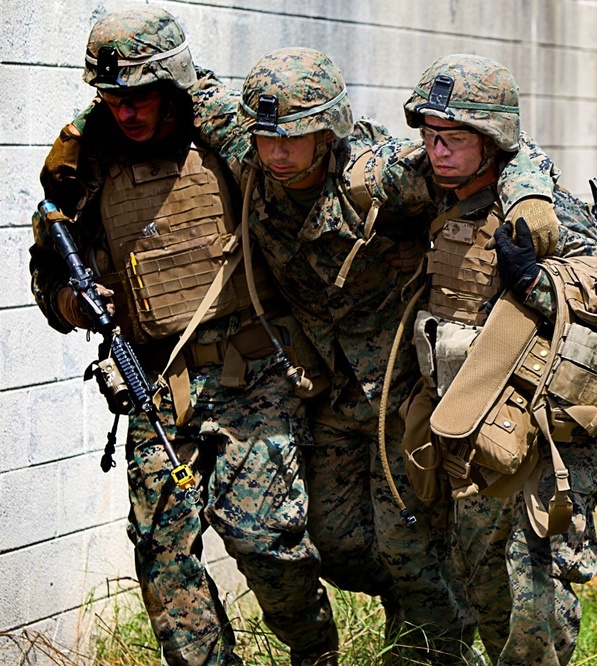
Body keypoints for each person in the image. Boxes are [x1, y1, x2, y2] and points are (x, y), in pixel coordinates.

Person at [191, 48, 561, 663]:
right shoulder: (251, 157)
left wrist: (527, 199)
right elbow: (192, 88)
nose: (277, 152)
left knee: (407, 545)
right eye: (267, 138)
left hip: (400, 392)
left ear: (327, 130)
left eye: (294, 137)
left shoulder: (377, 174)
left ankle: (435, 650)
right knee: (334, 543)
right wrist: (82, 133)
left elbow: (503, 149)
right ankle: (420, 613)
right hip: (330, 395)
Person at [28, 9, 336, 665]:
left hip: (253, 370)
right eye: (112, 97)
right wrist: (75, 303)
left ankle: (316, 655)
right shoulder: (83, 161)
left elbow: (313, 210)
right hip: (156, 379)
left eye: (139, 96)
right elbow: (48, 269)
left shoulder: (228, 134)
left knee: (264, 541)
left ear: (171, 83)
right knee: (162, 551)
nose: (126, 111)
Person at [354, 54, 597, 664]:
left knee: (533, 585)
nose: (438, 151)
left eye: (455, 138)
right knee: (486, 583)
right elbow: (365, 166)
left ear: (492, 139)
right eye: (430, 135)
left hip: (549, 421)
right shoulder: (432, 194)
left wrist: (535, 281)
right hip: (475, 420)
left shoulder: (547, 211)